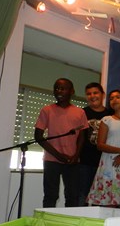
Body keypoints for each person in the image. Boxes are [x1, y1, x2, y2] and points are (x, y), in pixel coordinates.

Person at [34, 78, 88, 208]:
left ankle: (69, 220)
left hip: (72, 161)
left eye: (63, 89)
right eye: (56, 88)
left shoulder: (80, 112)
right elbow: (38, 136)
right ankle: (47, 220)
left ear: (72, 91)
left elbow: (82, 136)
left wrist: (76, 156)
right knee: (50, 195)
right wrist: (58, 155)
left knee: (72, 196)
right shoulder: (47, 110)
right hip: (51, 160)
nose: (59, 91)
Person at [86, 89, 120, 208]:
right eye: (111, 98)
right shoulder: (106, 120)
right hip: (110, 162)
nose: (114, 100)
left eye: (118, 97)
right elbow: (100, 144)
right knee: (109, 202)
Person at [79, 82, 112, 206]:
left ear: (103, 95)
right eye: (89, 94)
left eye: (95, 93)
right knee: (82, 194)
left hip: (104, 161)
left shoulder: (110, 115)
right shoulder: (81, 113)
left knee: (100, 195)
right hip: (84, 161)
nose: (92, 96)